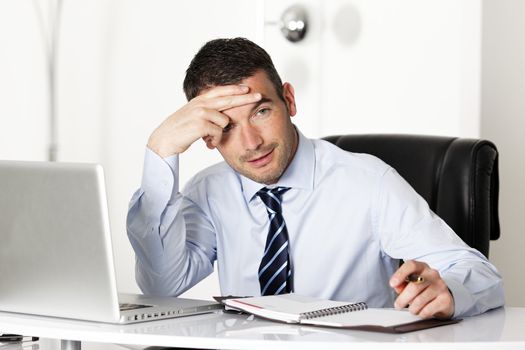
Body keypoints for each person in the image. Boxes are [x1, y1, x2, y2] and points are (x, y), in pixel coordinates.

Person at [127, 37, 504, 319]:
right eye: (226, 125)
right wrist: (161, 153)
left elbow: (481, 274)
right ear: (207, 136)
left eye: (260, 111)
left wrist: (448, 290)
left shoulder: (368, 182)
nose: (251, 143)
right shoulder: (209, 192)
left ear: (289, 100)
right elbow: (162, 285)